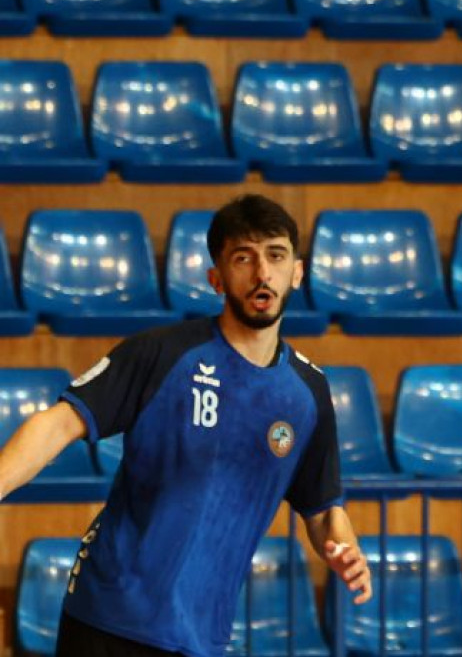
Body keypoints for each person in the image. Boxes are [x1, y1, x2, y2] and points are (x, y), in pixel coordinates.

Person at [0, 194, 371, 657]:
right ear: (217, 278)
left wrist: (344, 549)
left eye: (276, 256)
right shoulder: (161, 353)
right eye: (243, 258)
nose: (262, 273)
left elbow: (322, 509)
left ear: (297, 272)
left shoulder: (309, 393)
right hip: (110, 614)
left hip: (201, 635)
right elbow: (57, 425)